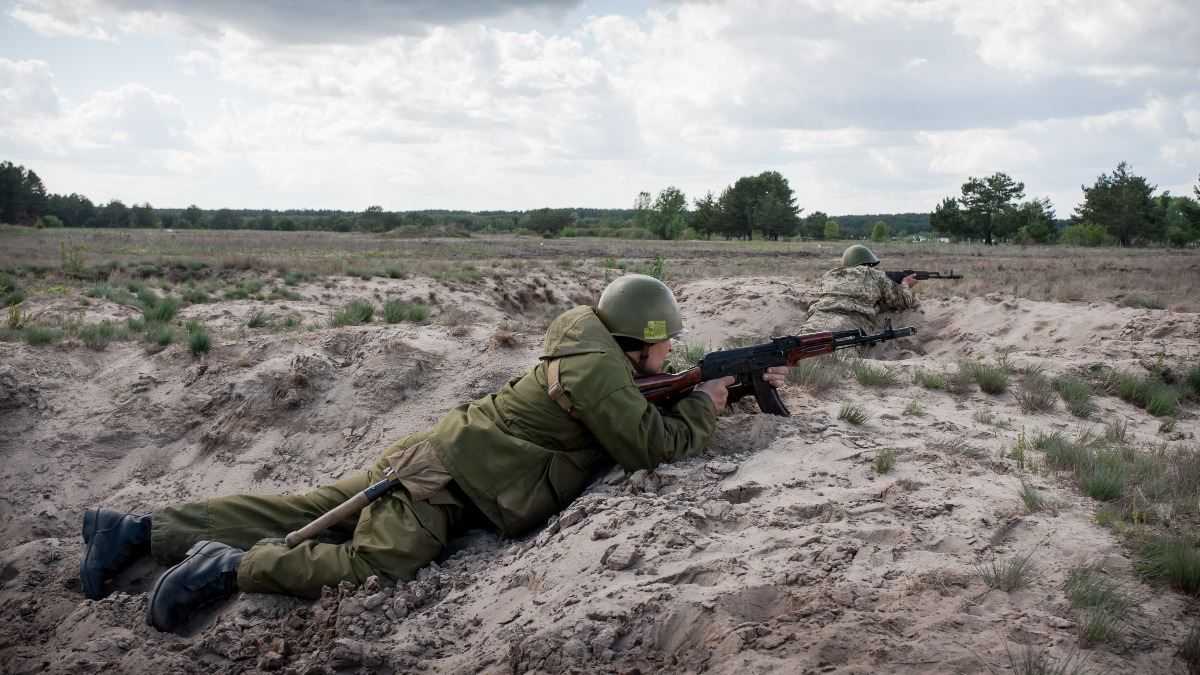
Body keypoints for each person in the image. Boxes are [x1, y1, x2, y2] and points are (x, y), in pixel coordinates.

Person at [79, 274, 789, 632]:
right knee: (375, 560)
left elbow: (632, 405)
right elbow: (646, 445)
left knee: (309, 505)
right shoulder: (602, 372)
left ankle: (135, 530)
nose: (674, 355)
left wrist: (695, 388)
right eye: (667, 344)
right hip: (445, 484)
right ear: (638, 341)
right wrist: (706, 402)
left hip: (444, 451)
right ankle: (232, 563)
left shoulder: (593, 349)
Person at [800, 244, 918, 338]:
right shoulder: (875, 275)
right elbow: (903, 301)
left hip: (815, 320)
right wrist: (906, 284)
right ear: (867, 263)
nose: (871, 268)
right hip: (849, 326)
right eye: (871, 265)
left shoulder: (829, 275)